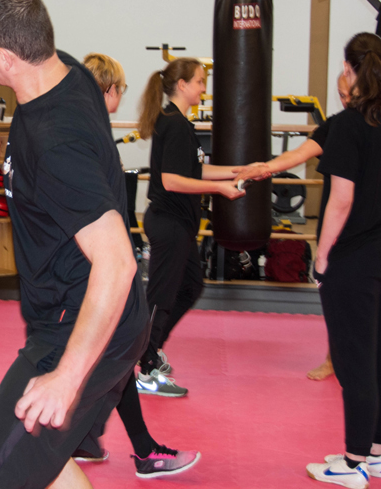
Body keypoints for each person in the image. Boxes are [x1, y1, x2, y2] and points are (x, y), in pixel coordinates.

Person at [0, 0, 150, 489]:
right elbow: (8, 22)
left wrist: (67, 376)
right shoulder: (69, 72)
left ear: (5, 58)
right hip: (92, 318)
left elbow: (117, 261)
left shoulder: (55, 145)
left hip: (80, 324)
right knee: (47, 466)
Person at [69, 52, 200, 478]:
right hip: (89, 264)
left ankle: (95, 441)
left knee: (113, 353)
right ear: (107, 90)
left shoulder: (88, 131)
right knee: (115, 351)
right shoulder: (84, 137)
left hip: (94, 260)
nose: (123, 96)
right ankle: (139, 450)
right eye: (120, 89)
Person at [135, 58, 244, 398]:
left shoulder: (179, 122)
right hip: (169, 223)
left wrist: (238, 171)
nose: (203, 88)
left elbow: (195, 170)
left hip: (179, 224)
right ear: (182, 85)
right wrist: (221, 189)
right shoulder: (174, 124)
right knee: (161, 296)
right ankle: (146, 368)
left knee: (191, 286)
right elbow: (171, 181)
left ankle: (152, 348)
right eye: (199, 81)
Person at [236, 73, 353, 382]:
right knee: (333, 296)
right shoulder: (338, 126)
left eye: (350, 95)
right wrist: (266, 167)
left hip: (367, 224)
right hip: (338, 225)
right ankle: (333, 359)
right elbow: (299, 153)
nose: (345, 101)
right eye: (341, 95)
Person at [302, 32, 381, 488]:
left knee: (354, 362)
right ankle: (374, 452)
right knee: (376, 356)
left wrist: (322, 256)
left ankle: (353, 464)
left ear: (350, 71)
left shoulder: (351, 124)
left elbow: (341, 200)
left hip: (353, 259)